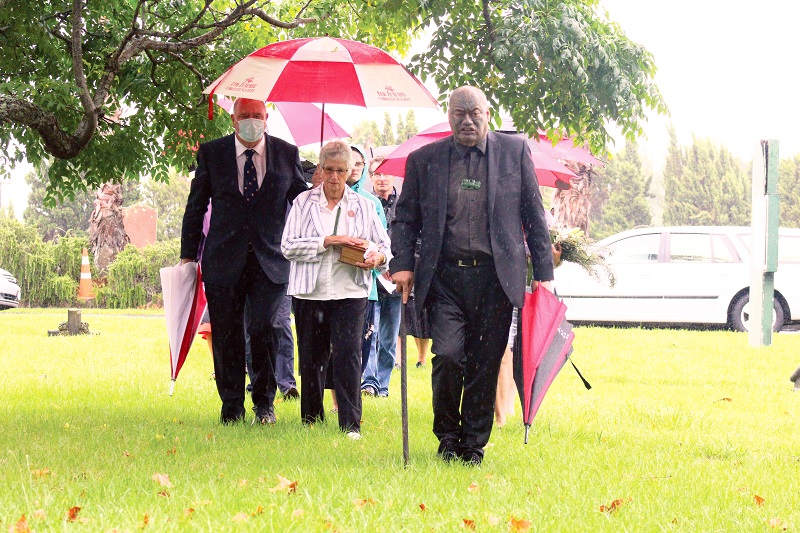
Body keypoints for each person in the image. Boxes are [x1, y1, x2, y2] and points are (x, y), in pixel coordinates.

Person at [390, 85, 554, 465]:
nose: (466, 120)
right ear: (448, 116)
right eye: (458, 113)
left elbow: (534, 214)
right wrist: (403, 263)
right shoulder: (424, 160)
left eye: (473, 113)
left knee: (484, 362)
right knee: (447, 356)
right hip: (445, 278)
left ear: (488, 113)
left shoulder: (514, 152)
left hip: (496, 280)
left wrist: (543, 273)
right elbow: (405, 218)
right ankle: (447, 436)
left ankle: (473, 445)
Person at [180, 97, 307, 425]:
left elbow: (303, 203)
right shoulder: (213, 153)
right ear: (233, 120)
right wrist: (186, 256)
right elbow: (195, 207)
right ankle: (232, 405)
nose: (251, 121)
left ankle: (264, 403)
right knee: (226, 333)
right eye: (244, 116)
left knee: (265, 327)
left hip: (271, 260)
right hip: (223, 259)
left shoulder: (286, 154)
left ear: (267, 117)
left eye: (257, 115)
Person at [282, 140, 392, 439]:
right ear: (320, 168)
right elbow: (288, 246)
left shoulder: (365, 205)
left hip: (350, 290)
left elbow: (384, 248)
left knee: (348, 356)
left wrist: (376, 257)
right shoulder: (304, 202)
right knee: (312, 357)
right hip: (310, 291)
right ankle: (311, 419)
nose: (333, 177)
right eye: (328, 170)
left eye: (340, 171)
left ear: (350, 172)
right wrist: (326, 242)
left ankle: (350, 424)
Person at [361, 156, 401, 397]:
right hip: (372, 278)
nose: (382, 178)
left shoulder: (405, 204)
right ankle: (370, 382)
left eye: (386, 173)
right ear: (371, 177)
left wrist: (399, 266)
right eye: (377, 173)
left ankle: (383, 385)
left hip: (396, 279)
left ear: (393, 176)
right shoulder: (365, 203)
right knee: (370, 331)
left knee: (389, 337)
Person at [348, 146, 387, 382]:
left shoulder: (371, 202)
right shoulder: (320, 197)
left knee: (361, 344)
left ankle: (354, 395)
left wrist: (374, 255)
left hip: (364, 285)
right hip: (330, 286)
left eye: (358, 163)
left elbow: (383, 243)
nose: (352, 168)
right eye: (347, 162)